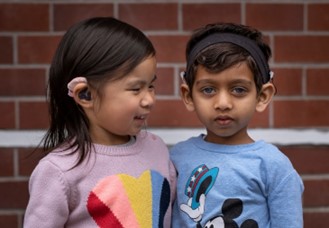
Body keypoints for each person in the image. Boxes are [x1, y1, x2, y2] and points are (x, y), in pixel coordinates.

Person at [24, 17, 176, 228]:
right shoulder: (59, 171)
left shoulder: (157, 149)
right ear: (86, 95)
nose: (149, 99)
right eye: (135, 89)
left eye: (150, 86)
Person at [170, 22, 304, 228]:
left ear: (262, 96)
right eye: (208, 90)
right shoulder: (175, 159)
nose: (223, 103)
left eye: (239, 90)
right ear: (188, 96)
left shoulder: (273, 166)